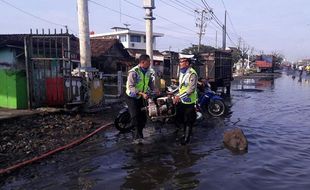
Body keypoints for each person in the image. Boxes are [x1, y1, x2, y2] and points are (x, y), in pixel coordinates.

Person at [125, 54, 155, 143]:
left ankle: (140, 133)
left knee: (143, 117)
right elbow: (131, 87)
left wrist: (155, 89)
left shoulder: (149, 71)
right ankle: (136, 137)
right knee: (135, 116)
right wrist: (141, 93)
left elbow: (150, 84)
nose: (150, 63)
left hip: (142, 96)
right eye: (148, 61)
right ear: (142, 62)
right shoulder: (133, 72)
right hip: (132, 97)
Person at [173, 55, 198, 145]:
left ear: (187, 63)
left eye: (181, 62)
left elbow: (191, 89)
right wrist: (173, 93)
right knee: (182, 119)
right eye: (180, 62)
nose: (180, 64)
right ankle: (184, 135)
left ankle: (187, 139)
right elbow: (181, 86)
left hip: (189, 101)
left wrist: (179, 96)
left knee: (188, 121)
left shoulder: (192, 73)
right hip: (182, 100)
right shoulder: (182, 72)